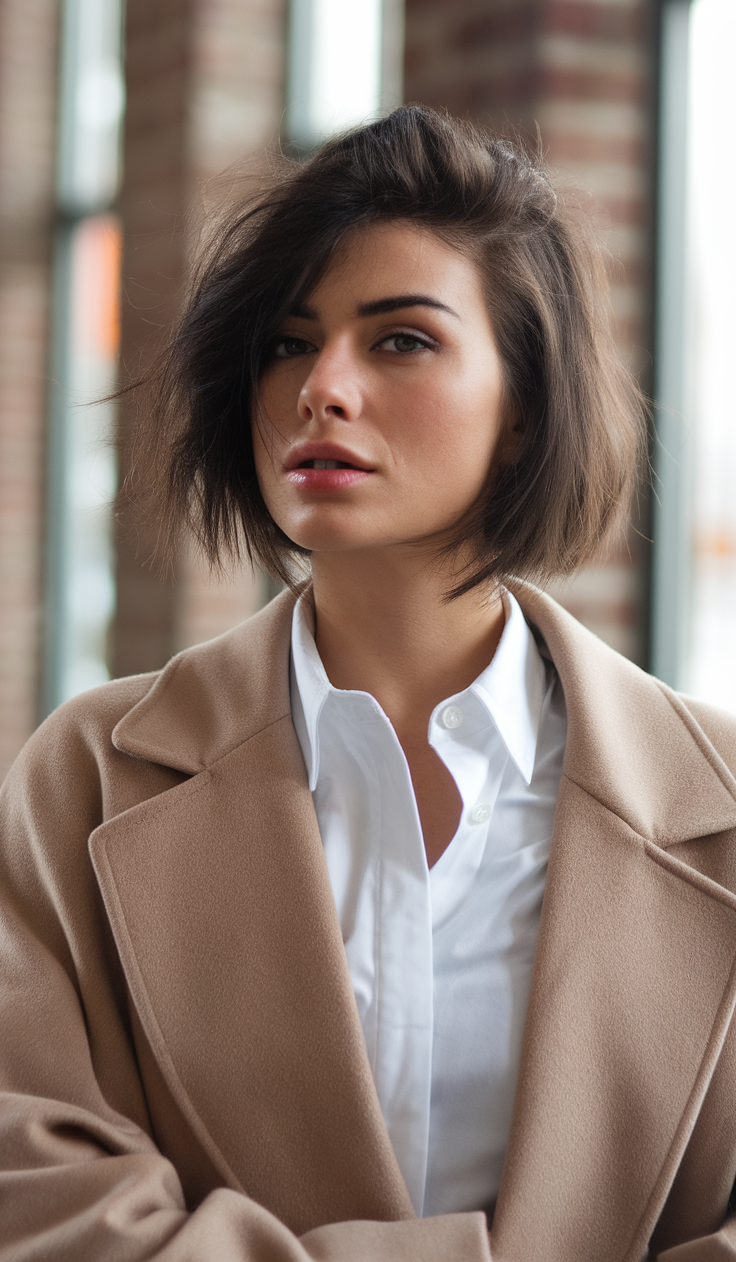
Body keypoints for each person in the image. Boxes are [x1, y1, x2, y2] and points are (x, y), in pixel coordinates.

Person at [1, 106, 736, 1262]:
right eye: (290, 342)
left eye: (400, 340)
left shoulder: (722, 802)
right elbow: (31, 1183)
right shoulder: (83, 778)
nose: (321, 388)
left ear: (524, 406)